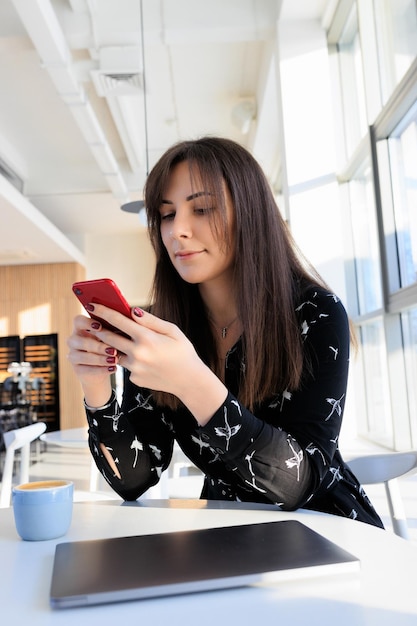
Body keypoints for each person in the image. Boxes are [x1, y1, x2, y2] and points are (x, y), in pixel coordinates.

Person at [67, 136, 383, 528]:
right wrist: (96, 387)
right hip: (226, 531)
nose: (177, 230)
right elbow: (134, 479)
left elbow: (299, 483)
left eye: (202, 209)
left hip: (327, 528)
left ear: (250, 213)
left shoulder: (315, 313)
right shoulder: (162, 331)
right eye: (167, 215)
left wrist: (191, 381)